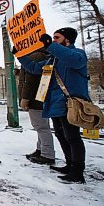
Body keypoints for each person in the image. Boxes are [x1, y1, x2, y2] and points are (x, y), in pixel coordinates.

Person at [15, 27, 88, 183]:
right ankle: (69, 164)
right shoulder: (53, 59)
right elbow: (34, 69)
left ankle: (77, 171)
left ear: (67, 39)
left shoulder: (78, 54)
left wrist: (51, 46)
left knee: (73, 137)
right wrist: (20, 55)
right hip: (55, 104)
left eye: (57, 38)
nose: (53, 40)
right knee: (62, 135)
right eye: (53, 38)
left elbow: (74, 61)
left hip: (70, 103)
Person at [17, 49, 55, 165]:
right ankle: (41, 150)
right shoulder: (42, 55)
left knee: (41, 127)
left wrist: (25, 98)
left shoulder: (36, 55)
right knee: (41, 126)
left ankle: (47, 154)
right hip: (39, 96)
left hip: (36, 98)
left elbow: (31, 80)